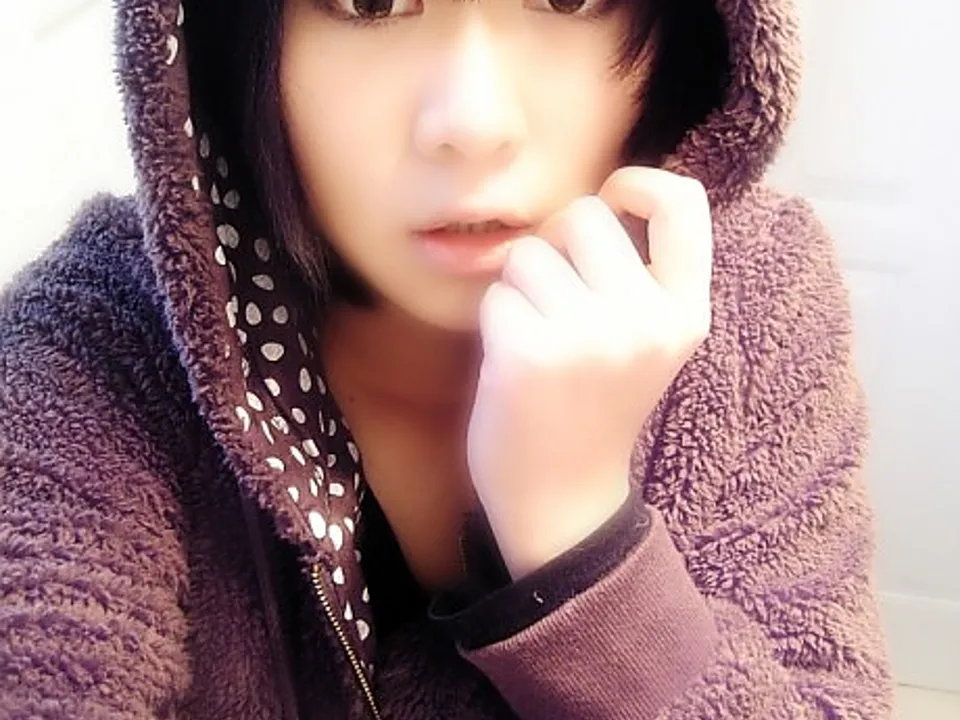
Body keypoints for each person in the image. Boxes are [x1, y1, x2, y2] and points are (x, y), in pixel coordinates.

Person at [0, 0, 894, 717]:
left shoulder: (760, 292)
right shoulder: (97, 337)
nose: (474, 123)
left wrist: (580, 535)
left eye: (567, 1)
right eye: (371, 3)